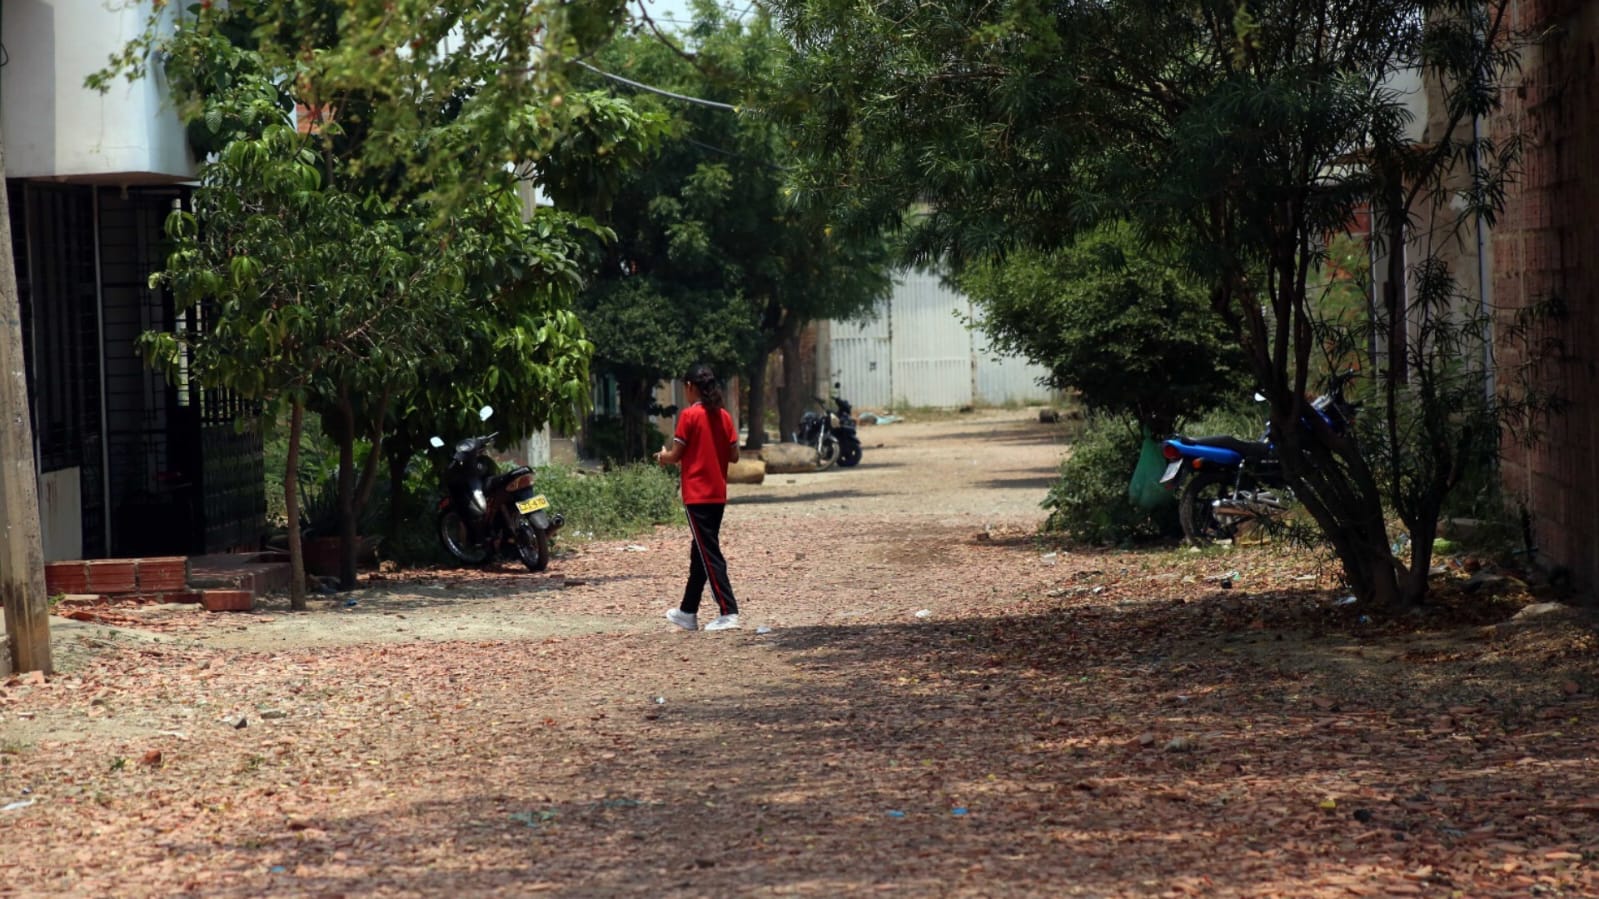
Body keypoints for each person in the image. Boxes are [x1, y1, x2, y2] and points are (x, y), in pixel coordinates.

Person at [655, 364, 742, 632]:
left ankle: (728, 612)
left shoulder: (689, 416)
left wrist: (661, 456)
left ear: (691, 387)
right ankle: (687, 611)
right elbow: (734, 455)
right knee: (701, 553)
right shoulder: (724, 416)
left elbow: (675, 455)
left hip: (696, 494)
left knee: (709, 553)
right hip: (717, 493)